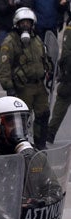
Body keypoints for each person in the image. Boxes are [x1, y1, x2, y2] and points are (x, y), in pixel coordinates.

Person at [0, 7, 52, 150]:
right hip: (22, 88)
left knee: (43, 115)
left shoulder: (37, 40)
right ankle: (22, 146)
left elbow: (44, 58)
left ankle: (40, 145)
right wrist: (9, 87)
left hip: (39, 86)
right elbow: (4, 67)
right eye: (23, 23)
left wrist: (49, 71)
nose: (26, 26)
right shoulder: (10, 42)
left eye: (28, 22)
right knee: (21, 120)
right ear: (17, 23)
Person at [48, 9, 71, 144]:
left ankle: (50, 133)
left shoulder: (69, 29)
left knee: (61, 103)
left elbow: (67, 54)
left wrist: (64, 72)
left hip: (69, 77)